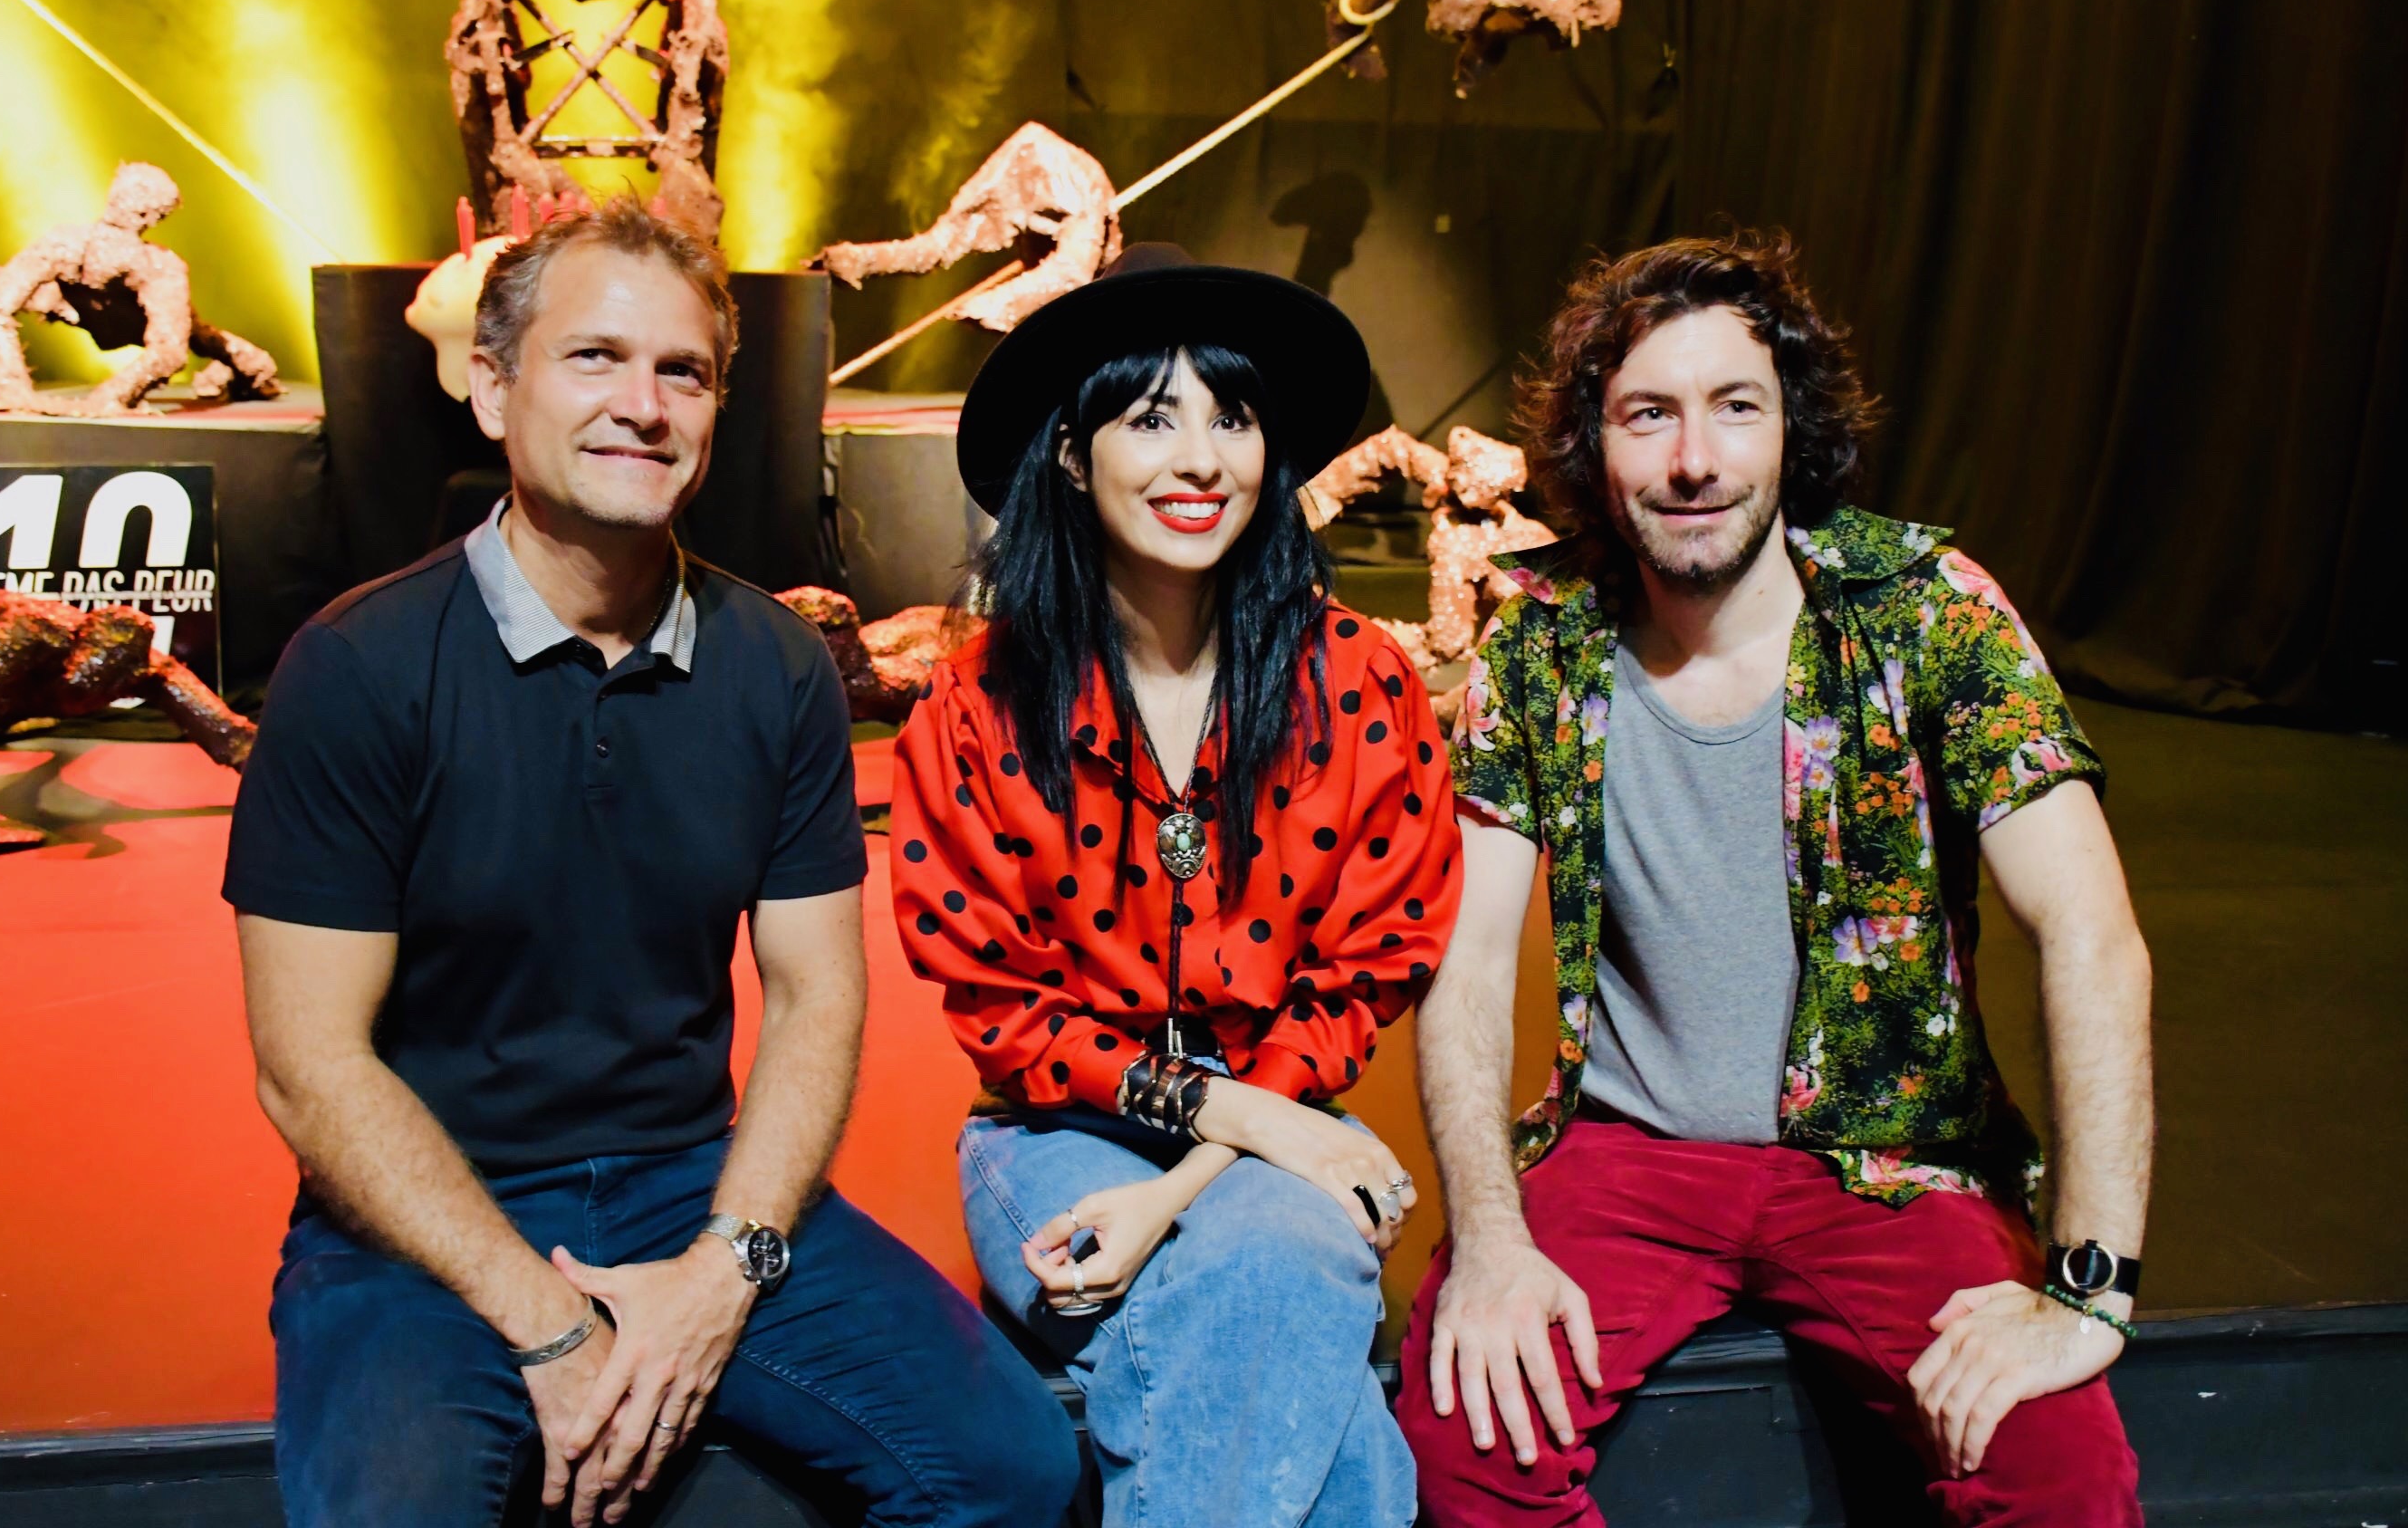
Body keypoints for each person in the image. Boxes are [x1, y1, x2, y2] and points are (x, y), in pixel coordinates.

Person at [225, 199, 1078, 1528]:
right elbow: (310, 1064)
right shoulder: (356, 667)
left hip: (692, 1178)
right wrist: (554, 1328)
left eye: (683, 371)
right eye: (595, 359)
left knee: (1017, 1472)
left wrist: (724, 1269)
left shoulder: (778, 668)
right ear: (493, 391)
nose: (645, 404)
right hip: (422, 1215)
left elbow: (812, 999)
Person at [1396, 232, 2152, 1524]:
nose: (1694, 458)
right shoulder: (1541, 641)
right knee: (1466, 1439)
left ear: (1790, 429)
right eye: (1649, 415)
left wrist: (2088, 1287)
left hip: (1890, 1162)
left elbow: (2088, 926)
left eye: (1735, 408)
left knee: (2057, 1476)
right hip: (1627, 1152)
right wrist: (1495, 1246)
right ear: (1596, 444)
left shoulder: (1927, 613)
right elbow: (1463, 973)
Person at [889, 244, 1463, 1527]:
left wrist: (1181, 1186)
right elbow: (1007, 1019)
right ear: (1073, 453)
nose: (1201, 458)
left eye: (1234, 416)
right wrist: (1248, 1139)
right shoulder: (978, 704)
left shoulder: (1358, 684)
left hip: (1282, 1113)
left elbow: (1364, 975)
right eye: (1151, 418)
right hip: (1053, 1139)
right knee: (1311, 1302)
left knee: (1288, 1297)